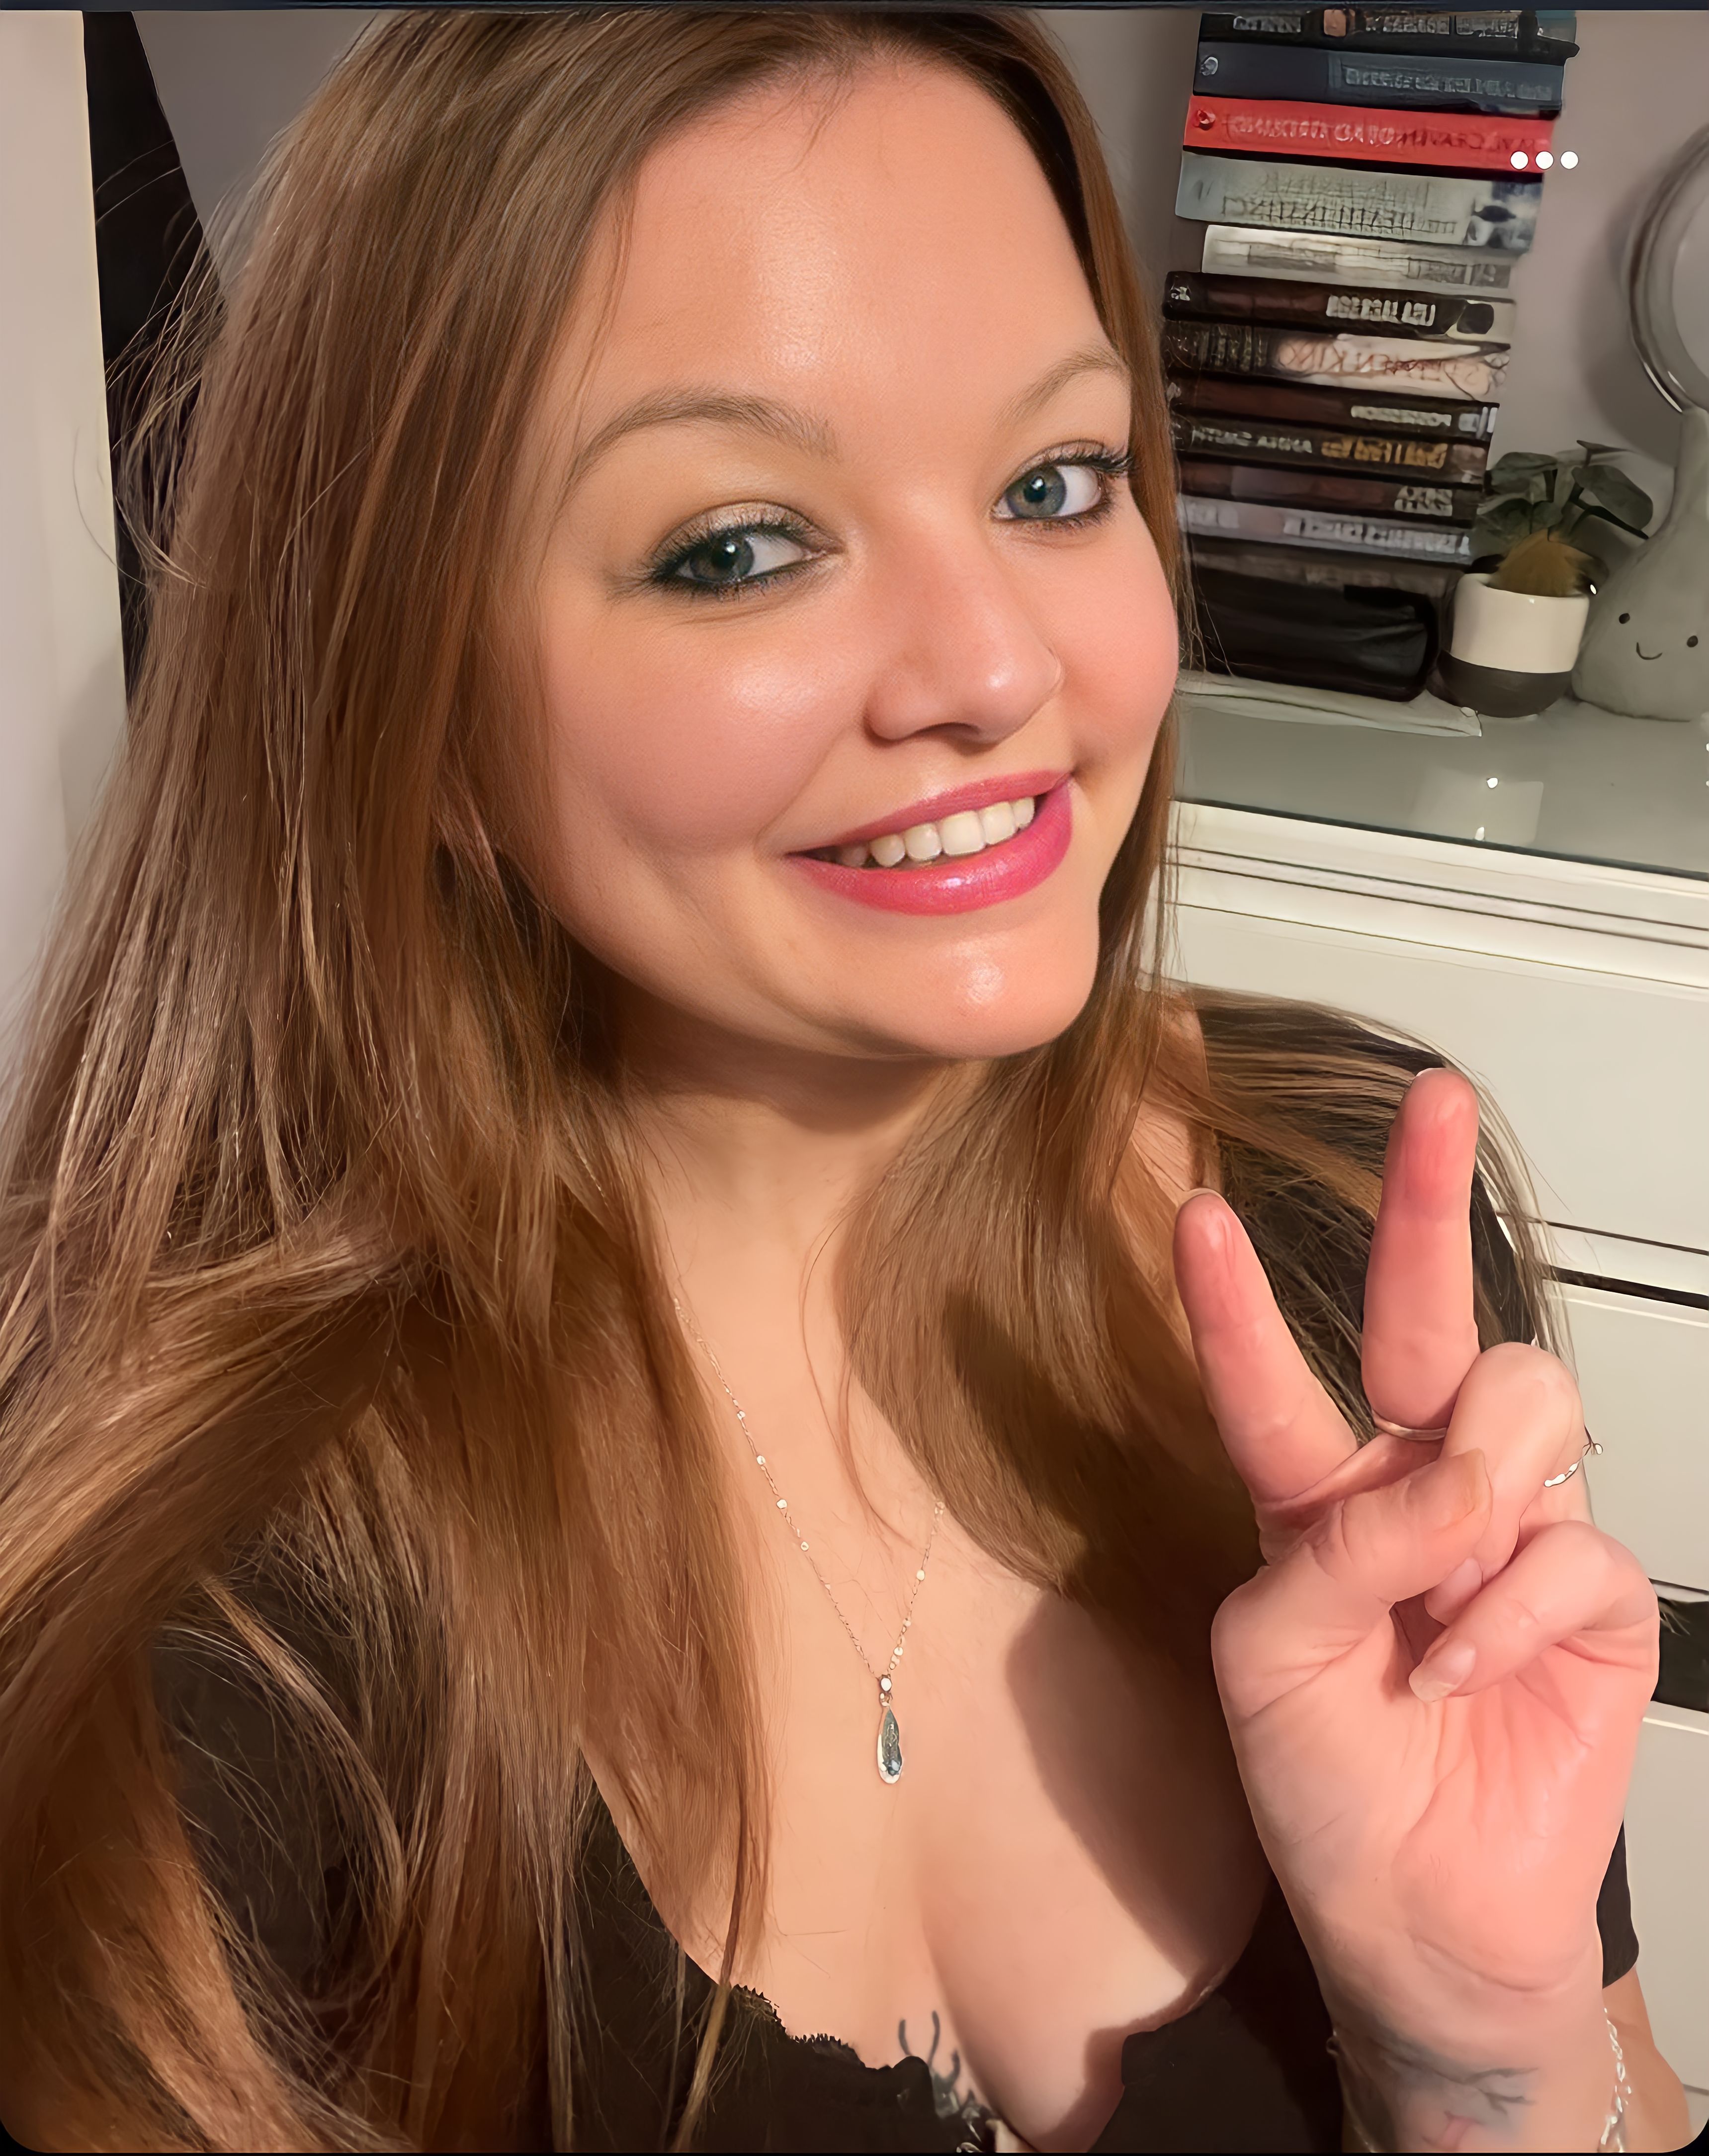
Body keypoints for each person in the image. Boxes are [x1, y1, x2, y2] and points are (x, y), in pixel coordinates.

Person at [0, 11, 1689, 2152]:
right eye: (737, 545)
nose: (995, 664)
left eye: (1054, 484)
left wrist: (1478, 2049)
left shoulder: (1356, 1222)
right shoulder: (228, 1606)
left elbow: (1610, 2087)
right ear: (416, 719)